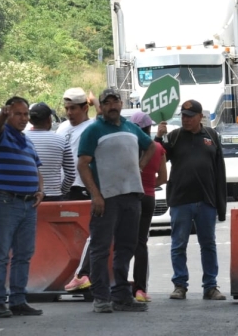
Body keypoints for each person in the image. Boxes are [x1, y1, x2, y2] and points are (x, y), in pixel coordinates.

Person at [78, 88, 155, 313]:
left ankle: (122, 295)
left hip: (131, 195)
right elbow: (83, 164)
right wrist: (96, 195)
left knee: (126, 247)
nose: (112, 106)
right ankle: (101, 297)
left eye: (115, 101)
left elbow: (150, 146)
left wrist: (139, 166)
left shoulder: (131, 128)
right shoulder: (93, 130)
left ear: (121, 104)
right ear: (100, 106)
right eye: (107, 102)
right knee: (101, 248)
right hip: (106, 198)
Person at [154, 99, 227, 301]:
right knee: (178, 245)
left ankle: (210, 287)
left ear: (200, 117)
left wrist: (221, 205)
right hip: (181, 200)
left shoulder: (211, 136)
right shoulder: (175, 136)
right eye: (183, 116)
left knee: (208, 245)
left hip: (206, 200)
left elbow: (219, 172)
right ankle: (180, 285)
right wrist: (159, 138)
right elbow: (157, 157)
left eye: (190, 116)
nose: (185, 120)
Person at [0, 96, 45, 318]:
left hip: (28, 203)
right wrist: (2, 113)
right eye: (18, 113)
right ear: (9, 113)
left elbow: (37, 167)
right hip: (5, 201)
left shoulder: (27, 140)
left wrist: (40, 190)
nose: (23, 118)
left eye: (26, 114)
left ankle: (18, 300)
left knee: (23, 254)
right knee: (1, 254)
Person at [58, 87, 99, 292]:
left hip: (84, 189)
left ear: (85, 108)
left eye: (73, 108)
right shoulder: (62, 128)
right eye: (66, 108)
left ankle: (84, 275)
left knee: (90, 233)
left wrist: (95, 101)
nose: (69, 113)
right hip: (62, 190)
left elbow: (105, 117)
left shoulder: (93, 127)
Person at [129, 111, 168, 303]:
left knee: (124, 242)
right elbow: (164, 177)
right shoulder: (158, 148)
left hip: (130, 197)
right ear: (149, 128)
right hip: (149, 197)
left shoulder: (128, 147)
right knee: (141, 243)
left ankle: (118, 285)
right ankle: (140, 289)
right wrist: (151, 184)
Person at [26, 103, 75, 201]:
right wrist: (61, 191)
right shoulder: (61, 140)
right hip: (54, 197)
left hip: (27, 196)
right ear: (49, 120)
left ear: (30, 121)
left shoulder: (20, 139)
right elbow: (70, 175)